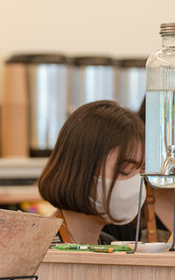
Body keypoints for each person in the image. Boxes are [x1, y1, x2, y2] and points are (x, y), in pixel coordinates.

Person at [38, 100, 145, 244]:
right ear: (82, 167)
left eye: (142, 171)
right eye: (125, 169)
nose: (136, 183)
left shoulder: (108, 244)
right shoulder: (36, 246)